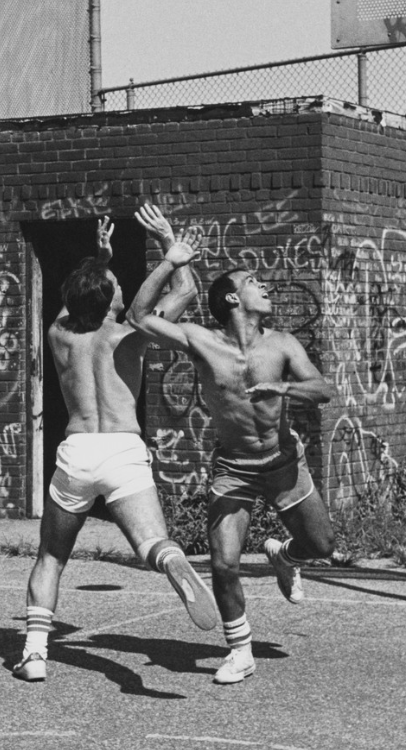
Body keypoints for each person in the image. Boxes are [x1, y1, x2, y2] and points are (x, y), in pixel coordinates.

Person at [13, 206, 216, 683]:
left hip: (78, 452)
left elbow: (75, 299)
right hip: (123, 451)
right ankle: (170, 560)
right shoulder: (131, 335)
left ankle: (35, 655)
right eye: (117, 285)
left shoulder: (59, 335)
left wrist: (99, 260)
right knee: (153, 543)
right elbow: (185, 291)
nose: (122, 287)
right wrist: (169, 247)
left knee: (51, 558)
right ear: (110, 298)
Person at [126, 245, 336, 685]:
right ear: (232, 298)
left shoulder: (282, 343)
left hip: (283, 462)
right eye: (253, 282)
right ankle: (240, 651)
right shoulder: (202, 340)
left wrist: (282, 388)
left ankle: (284, 555)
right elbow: (139, 316)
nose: (265, 286)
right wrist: (171, 262)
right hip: (233, 468)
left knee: (321, 546)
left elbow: (322, 390)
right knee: (223, 564)